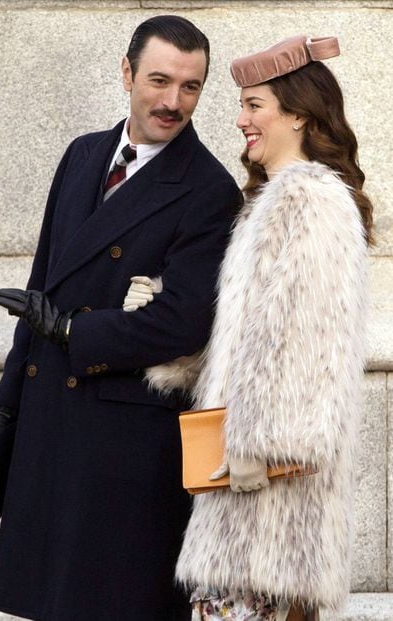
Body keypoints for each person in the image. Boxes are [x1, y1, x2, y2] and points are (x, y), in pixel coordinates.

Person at [0, 15, 242, 621]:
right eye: (159, 80)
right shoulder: (83, 154)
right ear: (126, 74)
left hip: (124, 448)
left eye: (191, 87)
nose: (173, 102)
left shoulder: (208, 189)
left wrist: (75, 330)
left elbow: (182, 323)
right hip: (50, 426)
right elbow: (41, 286)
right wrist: (4, 408)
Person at [124, 35, 373, 621]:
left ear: (299, 113)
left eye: (254, 105)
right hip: (244, 482)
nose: (240, 120)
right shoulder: (273, 200)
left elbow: (308, 344)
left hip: (264, 494)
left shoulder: (309, 201)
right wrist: (168, 334)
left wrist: (257, 449)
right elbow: (248, 335)